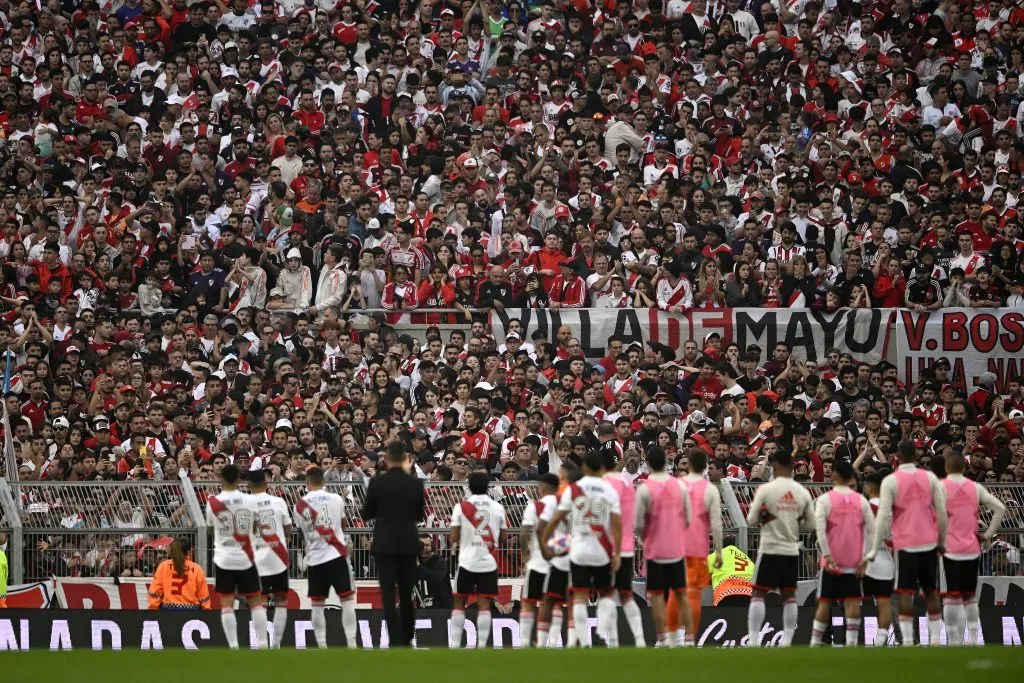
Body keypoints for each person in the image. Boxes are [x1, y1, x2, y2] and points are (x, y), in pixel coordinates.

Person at [866, 440, 947, 647]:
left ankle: (908, 640)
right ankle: (935, 640)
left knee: (904, 591)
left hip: (905, 545)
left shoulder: (891, 481)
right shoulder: (929, 478)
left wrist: (874, 548)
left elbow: (883, 517)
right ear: (916, 456)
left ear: (898, 457)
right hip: (929, 542)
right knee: (931, 591)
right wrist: (941, 541)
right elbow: (941, 512)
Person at [542, 452, 622, 648]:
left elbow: (557, 518)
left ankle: (582, 640)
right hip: (602, 549)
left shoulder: (574, 489)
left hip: (578, 550)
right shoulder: (609, 490)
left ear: (584, 467)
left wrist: (545, 540)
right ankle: (602, 634)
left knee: (579, 595)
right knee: (606, 594)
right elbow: (617, 525)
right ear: (601, 468)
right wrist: (617, 553)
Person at [745, 450, 815, 647]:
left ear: (774, 467)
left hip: (769, 549)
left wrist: (766, 517)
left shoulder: (766, 490)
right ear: (792, 467)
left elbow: (751, 520)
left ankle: (753, 640)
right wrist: (794, 522)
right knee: (789, 595)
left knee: (759, 593)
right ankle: (787, 640)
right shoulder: (802, 492)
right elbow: (811, 525)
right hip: (790, 550)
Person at [940, 447, 1006, 646]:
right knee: (969, 596)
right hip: (971, 548)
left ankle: (954, 639)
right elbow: (1000, 508)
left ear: (947, 467)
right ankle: (973, 638)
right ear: (964, 467)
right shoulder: (974, 487)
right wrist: (987, 535)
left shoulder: (941, 487)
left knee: (952, 596)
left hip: (950, 549)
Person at [362, 442, 425, 647]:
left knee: (388, 594)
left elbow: (367, 513)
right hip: (408, 542)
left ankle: (395, 639)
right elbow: (419, 515)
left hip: (384, 542)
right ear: (405, 459)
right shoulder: (415, 483)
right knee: (406, 592)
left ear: (387, 459)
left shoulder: (377, 482)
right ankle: (407, 637)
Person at [810, 459, 875, 647]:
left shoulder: (825, 500)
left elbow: (820, 530)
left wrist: (827, 555)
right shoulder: (861, 500)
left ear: (835, 475)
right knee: (852, 601)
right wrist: (865, 557)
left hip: (831, 561)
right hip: (854, 561)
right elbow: (871, 531)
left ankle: (816, 641)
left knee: (824, 601)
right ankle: (851, 643)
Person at [295, 465, 359, 648]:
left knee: (317, 604)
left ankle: (321, 644)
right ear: (323, 481)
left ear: (307, 482)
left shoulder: (300, 505)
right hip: (336, 555)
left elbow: (301, 533)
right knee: (347, 601)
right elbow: (343, 524)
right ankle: (352, 643)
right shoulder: (336, 499)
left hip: (315, 558)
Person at [634, 445, 691, 647]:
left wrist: (645, 538)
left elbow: (638, 523)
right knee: (681, 594)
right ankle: (684, 638)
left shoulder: (645, 488)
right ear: (666, 463)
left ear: (648, 463)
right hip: (676, 549)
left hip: (656, 550)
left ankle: (663, 638)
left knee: (657, 596)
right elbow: (688, 518)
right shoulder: (680, 486)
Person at [206, 464, 267, 650]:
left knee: (227, 603)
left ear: (221, 479)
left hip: (224, 558)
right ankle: (263, 643)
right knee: (255, 601)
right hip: (246, 557)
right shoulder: (250, 500)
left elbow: (211, 530)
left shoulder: (213, 503)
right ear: (240, 479)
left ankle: (233, 646)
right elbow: (256, 527)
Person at [449, 470, 507, 648]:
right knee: (484, 605)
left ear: (469, 487)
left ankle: (455, 645)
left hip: (467, 561)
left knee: (459, 602)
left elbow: (453, 537)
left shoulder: (461, 507)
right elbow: (503, 537)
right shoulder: (498, 507)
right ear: (488, 486)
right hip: (488, 562)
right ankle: (482, 646)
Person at [671, 447, 723, 644]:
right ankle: (689, 638)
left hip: (675, 548)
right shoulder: (710, 489)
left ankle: (670, 636)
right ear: (705, 466)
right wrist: (719, 552)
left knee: (674, 591)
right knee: (693, 595)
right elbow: (716, 523)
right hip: (698, 548)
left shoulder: (677, 485)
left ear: (690, 464)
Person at [601, 450, 646, 647]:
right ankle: (639, 638)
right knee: (626, 594)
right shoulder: (628, 485)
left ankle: (612, 639)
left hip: (609, 549)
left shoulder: (603, 486)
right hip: (626, 547)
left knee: (608, 594)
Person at [249, 468, 292, 649]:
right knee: (281, 602)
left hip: (257, 559)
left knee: (259, 603)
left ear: (249, 485)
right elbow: (288, 529)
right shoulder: (279, 502)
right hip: (278, 557)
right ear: (266, 483)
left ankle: (262, 643)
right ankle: (277, 644)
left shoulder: (245, 504)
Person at [537, 463, 578, 647]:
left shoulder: (559, 498)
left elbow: (542, 527)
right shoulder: (583, 496)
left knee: (550, 598)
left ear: (565, 477)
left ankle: (544, 643)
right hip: (579, 552)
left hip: (560, 553)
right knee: (574, 598)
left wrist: (547, 549)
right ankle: (570, 641)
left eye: (560, 474)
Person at [518, 473, 559, 647]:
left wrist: (525, 555)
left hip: (537, 562)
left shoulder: (536, 506)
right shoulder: (566, 506)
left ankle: (525, 643)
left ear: (541, 489)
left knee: (528, 602)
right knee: (555, 603)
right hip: (559, 563)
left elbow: (524, 532)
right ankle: (550, 643)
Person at [862, 472, 896, 647]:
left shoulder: (863, 508)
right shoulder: (892, 510)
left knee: (852, 600)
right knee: (884, 601)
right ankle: (882, 638)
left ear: (868, 488)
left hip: (864, 561)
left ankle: (850, 638)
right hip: (886, 561)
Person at [146, 537, 210, 610]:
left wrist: (153, 609)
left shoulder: (164, 566)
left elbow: (155, 592)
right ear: (189, 552)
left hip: (167, 610)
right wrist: (206, 610)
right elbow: (204, 597)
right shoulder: (197, 569)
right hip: (192, 612)